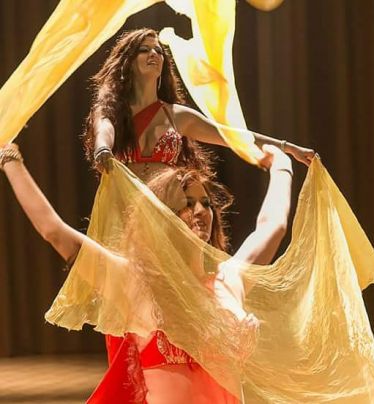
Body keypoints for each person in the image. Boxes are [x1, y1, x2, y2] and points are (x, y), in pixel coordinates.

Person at [0, 142, 293, 403]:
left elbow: (273, 225)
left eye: (206, 203)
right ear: (161, 217)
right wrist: (10, 157)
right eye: (187, 204)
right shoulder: (137, 285)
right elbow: (54, 231)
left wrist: (281, 164)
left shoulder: (229, 280)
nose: (201, 211)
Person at [83, 28, 315, 180]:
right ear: (127, 62)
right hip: (124, 211)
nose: (153, 54)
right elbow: (104, 130)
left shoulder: (177, 116)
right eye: (143, 50)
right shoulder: (110, 109)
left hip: (167, 212)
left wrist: (288, 147)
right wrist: (102, 149)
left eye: (158, 51)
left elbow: (234, 137)